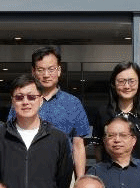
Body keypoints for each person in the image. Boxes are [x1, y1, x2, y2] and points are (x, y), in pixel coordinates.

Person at [20, 45, 92, 178]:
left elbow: (78, 145)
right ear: (33, 72)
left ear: (59, 70)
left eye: (51, 69)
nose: (46, 75)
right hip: (27, 172)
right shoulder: (23, 101)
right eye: (40, 70)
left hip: (64, 173)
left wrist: (80, 180)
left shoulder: (73, 103)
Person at [91, 61, 140, 165]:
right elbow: (98, 147)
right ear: (113, 84)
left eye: (132, 81)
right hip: (109, 172)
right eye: (121, 81)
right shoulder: (103, 112)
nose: (127, 86)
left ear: (139, 83)